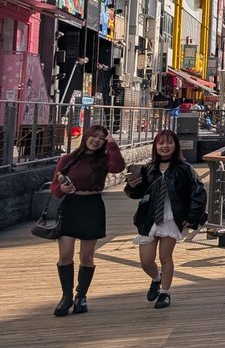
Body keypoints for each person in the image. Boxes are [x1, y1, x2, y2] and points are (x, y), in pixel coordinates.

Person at [124, 129, 207, 309]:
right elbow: (137, 193)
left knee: (165, 256)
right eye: (161, 143)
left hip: (171, 216)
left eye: (169, 142)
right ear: (155, 146)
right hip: (149, 217)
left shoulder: (184, 169)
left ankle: (165, 292)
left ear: (175, 145)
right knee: (146, 261)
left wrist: (192, 216)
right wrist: (132, 186)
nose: (165, 146)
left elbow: (198, 192)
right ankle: (156, 278)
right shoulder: (148, 169)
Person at [49, 125, 127, 316]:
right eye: (94, 136)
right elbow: (55, 187)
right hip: (71, 206)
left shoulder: (103, 160)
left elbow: (118, 167)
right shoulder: (68, 159)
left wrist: (112, 144)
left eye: (101, 138)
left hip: (92, 206)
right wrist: (62, 189)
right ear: (86, 137)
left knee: (87, 256)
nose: (96, 140)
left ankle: (81, 296)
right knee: (65, 255)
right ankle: (66, 296)